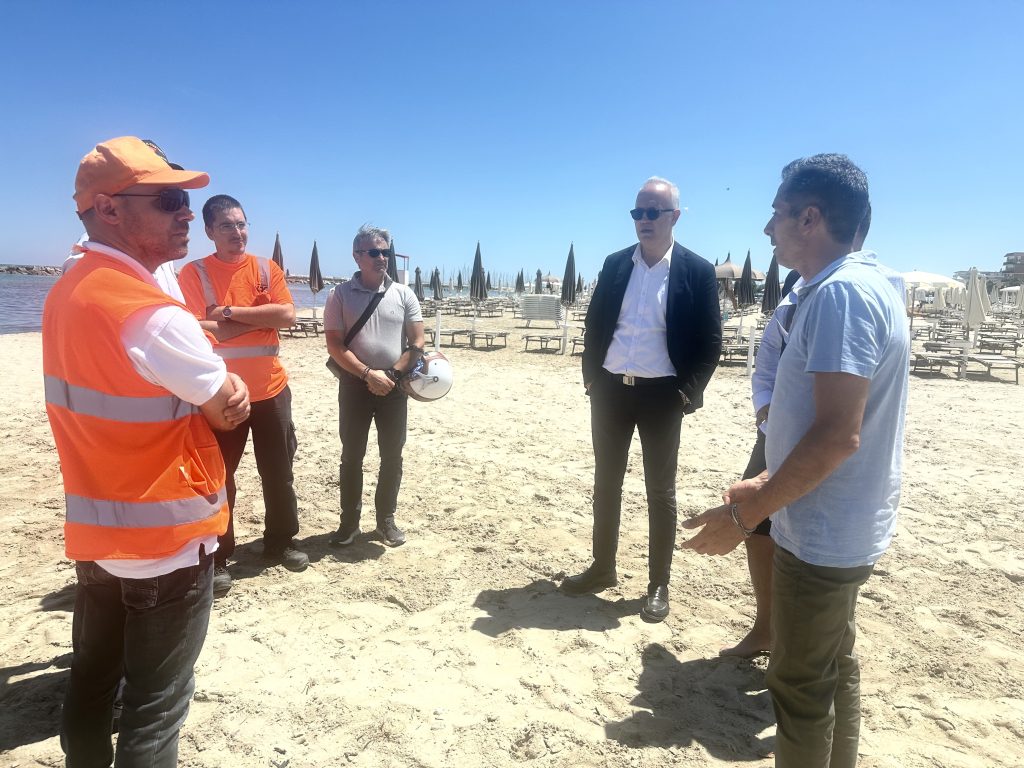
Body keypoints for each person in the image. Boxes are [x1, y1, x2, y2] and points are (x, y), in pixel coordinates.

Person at [682, 154, 910, 768]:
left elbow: (837, 435)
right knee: (833, 669)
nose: (768, 228)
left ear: (810, 218)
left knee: (799, 685)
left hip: (823, 531)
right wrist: (763, 478)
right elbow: (828, 422)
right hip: (838, 519)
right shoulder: (860, 286)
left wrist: (746, 514)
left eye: (777, 213)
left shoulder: (841, 294)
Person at [43, 136, 250, 766]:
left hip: (98, 532)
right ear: (109, 209)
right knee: (155, 710)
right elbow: (226, 404)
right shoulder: (152, 315)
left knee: (91, 682)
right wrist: (225, 382)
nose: (187, 213)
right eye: (167, 201)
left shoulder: (68, 290)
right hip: (166, 545)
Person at [561, 177, 722, 622]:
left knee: (660, 492)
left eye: (653, 212)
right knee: (605, 483)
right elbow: (596, 324)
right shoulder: (615, 264)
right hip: (610, 391)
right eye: (638, 212)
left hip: (663, 396)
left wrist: (687, 393)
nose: (644, 220)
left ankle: (658, 584)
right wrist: (592, 378)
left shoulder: (697, 270)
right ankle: (602, 568)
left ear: (675, 216)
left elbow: (711, 342)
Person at [178, 195, 308, 594]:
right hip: (222, 394)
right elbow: (193, 327)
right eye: (226, 226)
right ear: (209, 232)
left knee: (279, 472)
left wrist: (228, 313)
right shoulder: (194, 273)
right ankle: (219, 554)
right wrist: (259, 318)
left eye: (241, 224)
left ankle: (281, 542)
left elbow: (287, 316)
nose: (237, 232)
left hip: (271, 390)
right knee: (220, 476)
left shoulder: (266, 268)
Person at [324, 225, 425, 548]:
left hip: (394, 388)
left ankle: (386, 521)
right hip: (354, 385)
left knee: (392, 456)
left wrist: (391, 376)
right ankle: (349, 523)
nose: (382, 257)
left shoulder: (404, 294)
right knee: (352, 456)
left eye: (385, 252)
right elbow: (335, 345)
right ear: (357, 256)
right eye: (374, 252)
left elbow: (417, 341)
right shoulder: (340, 295)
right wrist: (368, 374)